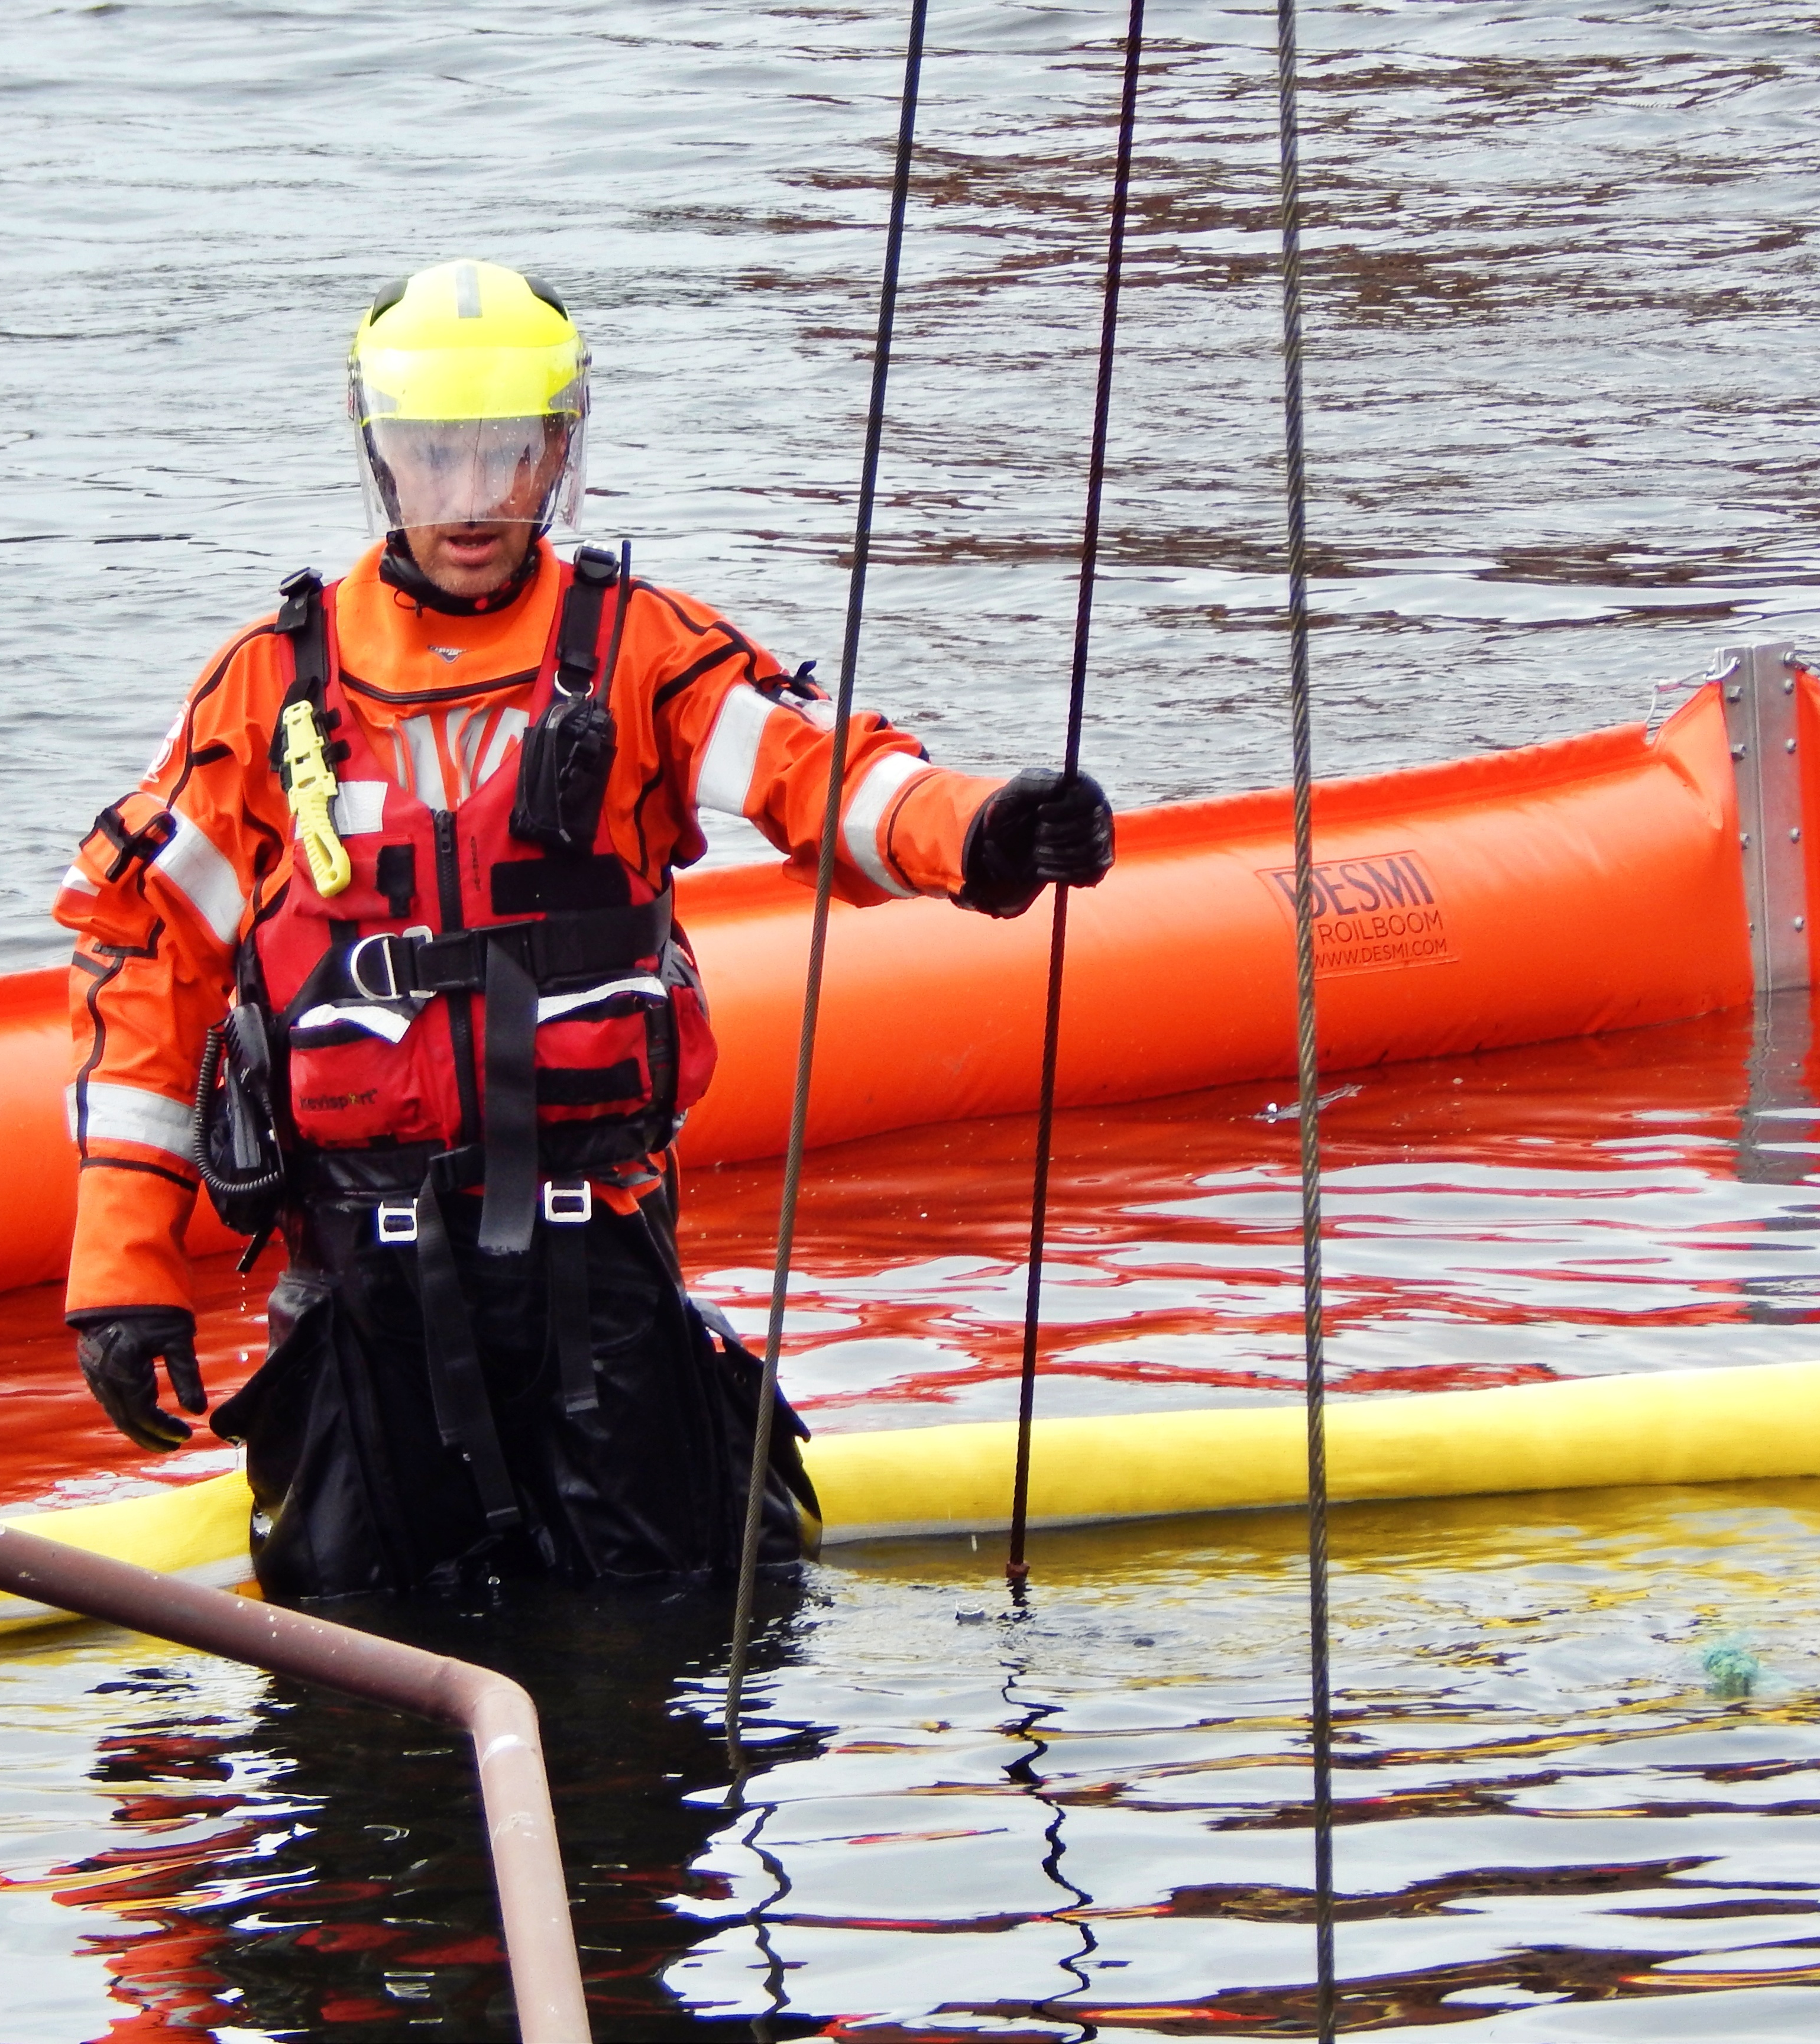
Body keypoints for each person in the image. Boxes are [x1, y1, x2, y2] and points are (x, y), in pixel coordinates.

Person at [55, 258, 1113, 1600]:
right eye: (434, 461)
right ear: (380, 458)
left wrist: (985, 831)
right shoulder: (272, 688)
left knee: (666, 1632)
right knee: (349, 1659)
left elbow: (821, 779)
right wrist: (122, 1273)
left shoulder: (638, 649)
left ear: (559, 452)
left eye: (505, 459)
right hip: (360, 1287)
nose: (471, 502)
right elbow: (144, 956)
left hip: (597, 1263)